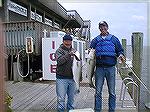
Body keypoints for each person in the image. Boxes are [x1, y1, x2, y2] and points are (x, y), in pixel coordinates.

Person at [90, 21, 125, 112]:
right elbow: (91, 49)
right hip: (99, 69)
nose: (103, 28)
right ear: (99, 29)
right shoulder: (96, 39)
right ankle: (97, 110)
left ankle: (111, 110)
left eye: (104, 26)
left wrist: (121, 55)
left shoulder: (114, 39)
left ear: (107, 27)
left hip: (111, 68)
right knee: (98, 92)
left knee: (112, 92)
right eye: (101, 27)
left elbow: (120, 50)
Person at [55, 34, 76, 112]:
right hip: (61, 78)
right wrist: (69, 55)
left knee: (72, 99)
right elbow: (59, 61)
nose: (68, 42)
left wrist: (79, 76)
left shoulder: (74, 51)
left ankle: (71, 111)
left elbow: (78, 64)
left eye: (69, 41)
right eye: (66, 41)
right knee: (61, 99)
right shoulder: (59, 50)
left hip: (73, 79)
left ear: (71, 41)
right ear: (63, 41)